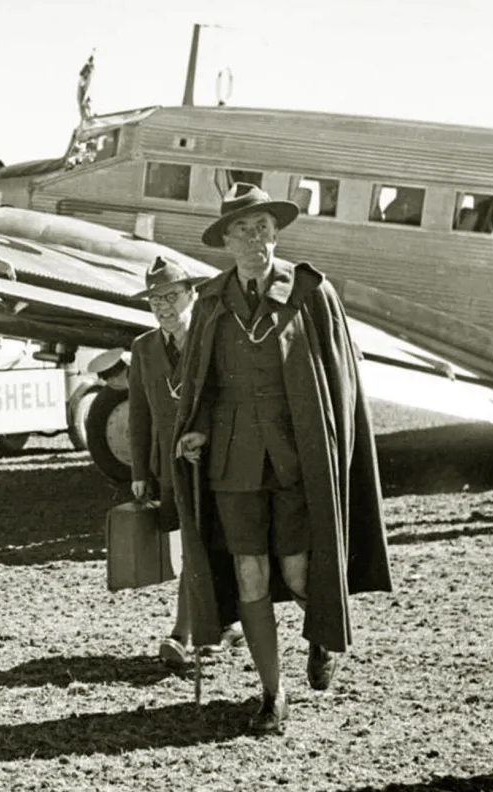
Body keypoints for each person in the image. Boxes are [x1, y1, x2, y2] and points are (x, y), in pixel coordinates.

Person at [172, 184, 393, 735]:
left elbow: (340, 379)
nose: (255, 240)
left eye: (263, 228)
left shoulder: (310, 292)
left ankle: (321, 635)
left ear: (276, 234)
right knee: (249, 572)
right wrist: (196, 429)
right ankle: (273, 693)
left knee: (296, 570)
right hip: (231, 462)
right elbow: (200, 384)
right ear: (226, 241)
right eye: (243, 231)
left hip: (296, 457)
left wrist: (333, 444)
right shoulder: (211, 301)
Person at [127, 257, 243, 665]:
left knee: (206, 544)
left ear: (192, 294)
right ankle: (224, 625)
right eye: (154, 300)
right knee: (196, 545)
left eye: (171, 296)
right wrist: (139, 472)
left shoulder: (212, 340)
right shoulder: (143, 348)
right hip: (169, 467)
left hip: (216, 461)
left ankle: (185, 633)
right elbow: (139, 415)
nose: (163, 307)